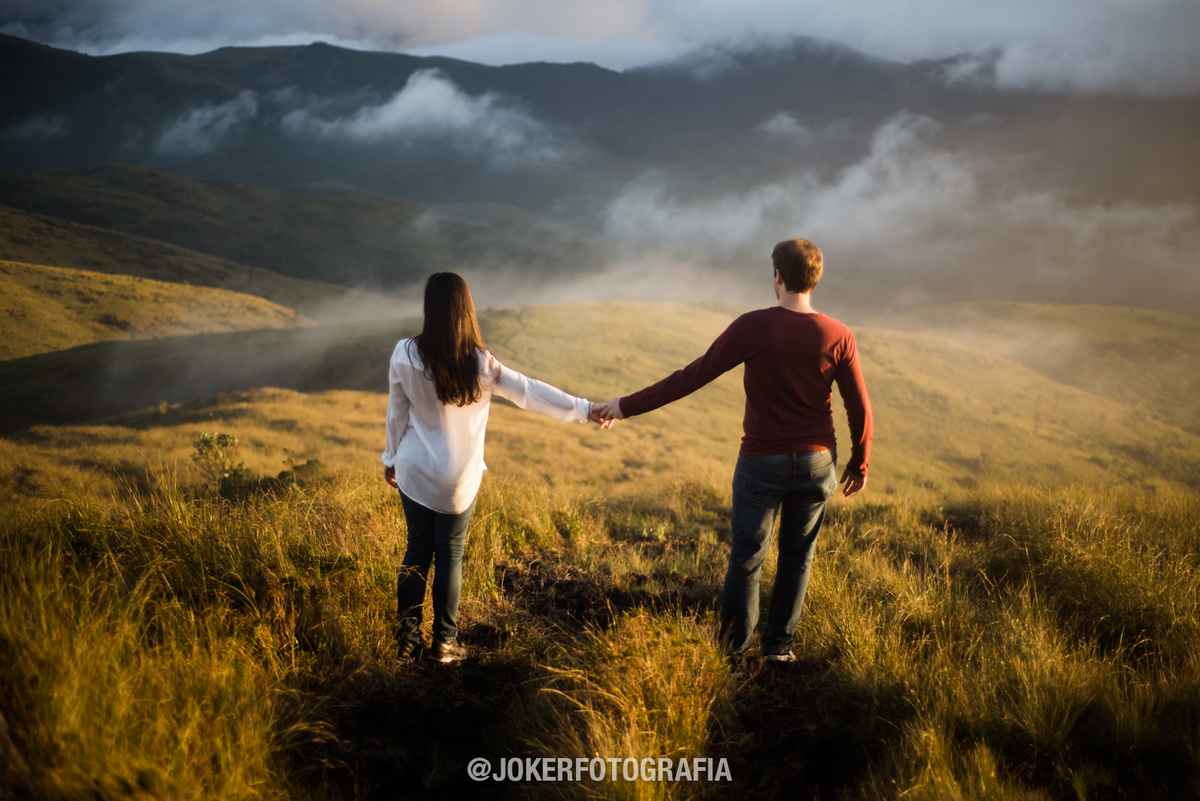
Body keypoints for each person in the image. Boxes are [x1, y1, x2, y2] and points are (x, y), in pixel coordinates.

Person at [595, 238, 872, 663]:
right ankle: (779, 649)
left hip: (762, 461)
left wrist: (625, 405)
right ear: (815, 279)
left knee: (747, 558)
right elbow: (859, 407)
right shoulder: (838, 334)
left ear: (778, 276)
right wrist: (860, 462)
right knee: (798, 556)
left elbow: (694, 375)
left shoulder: (753, 326)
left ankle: (735, 657)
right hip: (819, 462)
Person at [383, 272, 608, 664]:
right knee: (450, 554)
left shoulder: (405, 354)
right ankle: (445, 644)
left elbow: (396, 416)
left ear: (428, 309)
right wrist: (585, 410)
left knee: (416, 552)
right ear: (465, 312)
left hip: (414, 470)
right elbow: (531, 391)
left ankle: (406, 643)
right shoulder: (482, 366)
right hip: (457, 481)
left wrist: (390, 459)